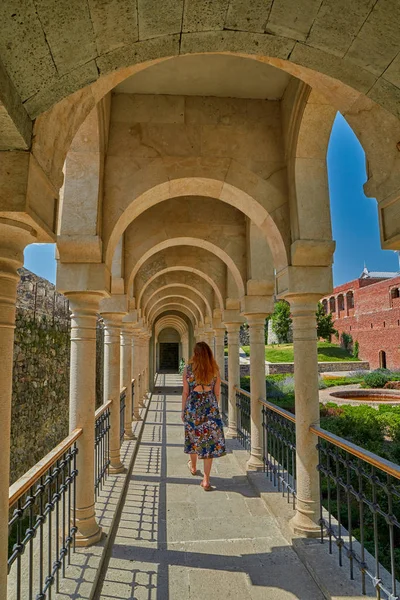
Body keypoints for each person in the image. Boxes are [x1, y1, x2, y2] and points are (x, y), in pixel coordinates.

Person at [181, 341, 226, 491]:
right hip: (209, 407)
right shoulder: (214, 370)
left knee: (193, 437)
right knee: (209, 442)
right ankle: (206, 480)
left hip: (193, 406)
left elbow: (185, 392)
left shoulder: (188, 369)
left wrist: (183, 411)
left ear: (195, 354)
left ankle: (193, 467)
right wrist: (213, 406)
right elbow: (217, 392)